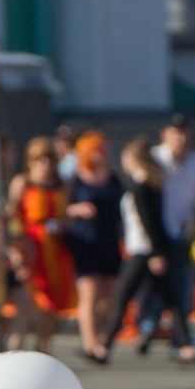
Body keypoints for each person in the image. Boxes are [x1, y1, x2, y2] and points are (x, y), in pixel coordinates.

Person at [102, 137, 192, 362]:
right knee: (169, 298)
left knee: (124, 297)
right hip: (146, 248)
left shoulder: (142, 187)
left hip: (144, 250)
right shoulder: (149, 184)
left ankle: (104, 345)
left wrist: (156, 253)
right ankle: (185, 344)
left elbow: (150, 223)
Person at [4, 137, 74, 353]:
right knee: (25, 303)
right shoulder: (22, 183)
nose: (45, 164)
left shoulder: (61, 185)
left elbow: (65, 218)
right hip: (29, 249)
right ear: (30, 162)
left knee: (51, 307)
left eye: (49, 159)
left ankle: (44, 348)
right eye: (39, 159)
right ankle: (14, 354)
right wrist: (17, 249)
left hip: (54, 252)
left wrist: (63, 223)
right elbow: (12, 217)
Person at [144, 116, 195, 347]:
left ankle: (178, 337)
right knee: (153, 285)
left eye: (184, 132)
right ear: (165, 134)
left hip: (182, 232)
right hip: (157, 232)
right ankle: (149, 324)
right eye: (175, 132)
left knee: (181, 285)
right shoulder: (155, 160)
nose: (180, 138)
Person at [63, 131, 124, 363]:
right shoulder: (75, 180)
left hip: (108, 241)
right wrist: (76, 210)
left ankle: (99, 335)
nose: (101, 155)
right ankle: (90, 344)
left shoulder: (113, 179)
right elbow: (61, 211)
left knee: (109, 296)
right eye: (96, 150)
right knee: (89, 292)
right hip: (85, 241)